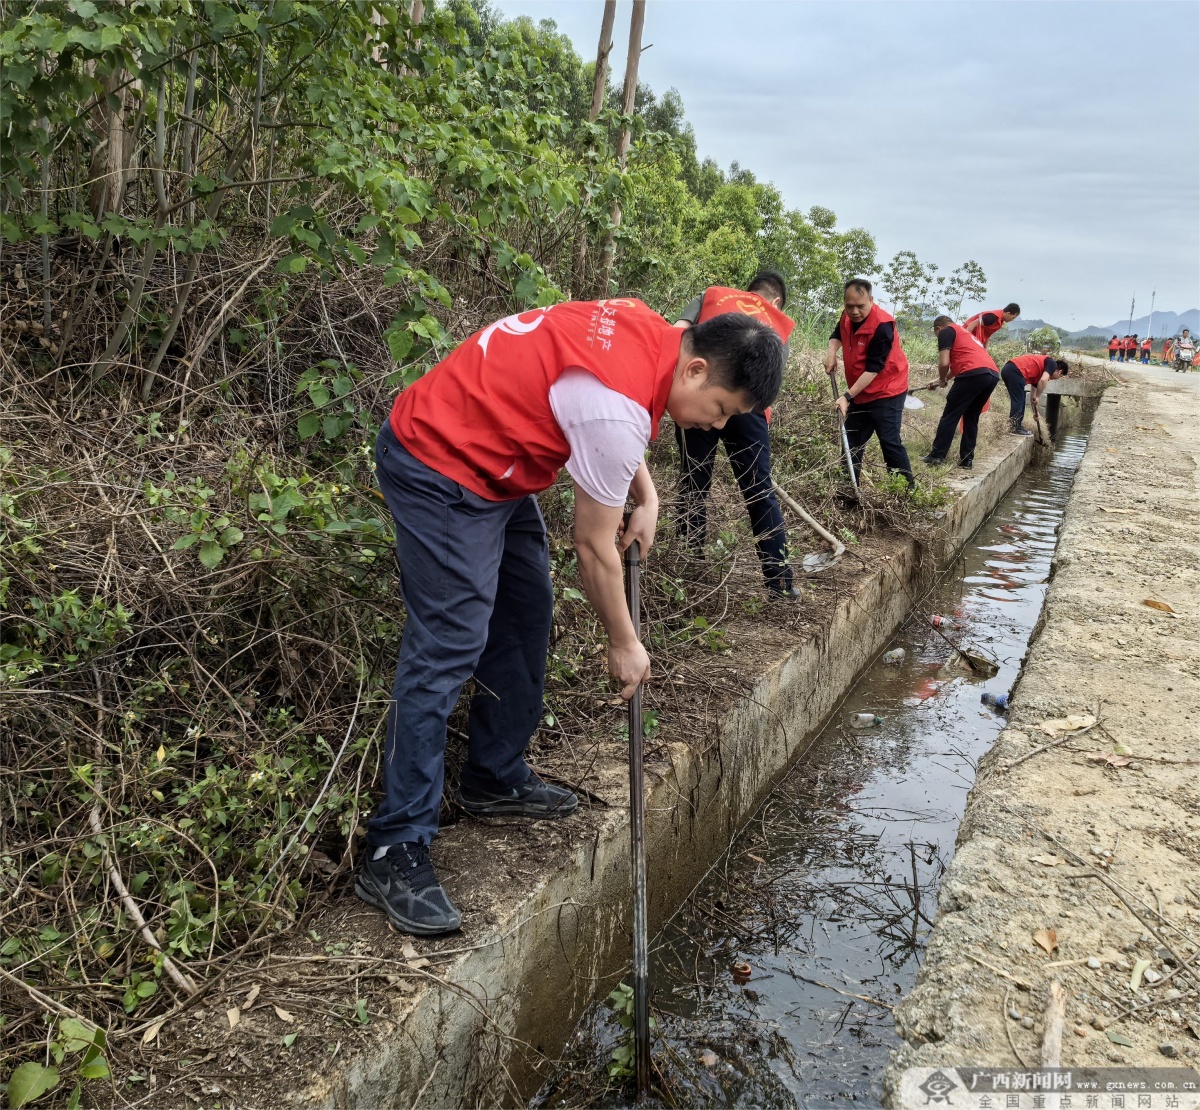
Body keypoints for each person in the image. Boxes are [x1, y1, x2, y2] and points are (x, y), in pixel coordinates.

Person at [360, 299, 783, 934]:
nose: (717, 424)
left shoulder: (652, 333)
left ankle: (493, 777)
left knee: (526, 611)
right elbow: (593, 545)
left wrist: (647, 493)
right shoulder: (617, 405)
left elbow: (613, 409)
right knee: (448, 641)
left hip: (498, 464)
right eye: (721, 409)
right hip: (439, 460)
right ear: (695, 369)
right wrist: (625, 643)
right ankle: (394, 845)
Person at [674, 272, 800, 598]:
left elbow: (678, 332)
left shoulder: (712, 295)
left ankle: (688, 569)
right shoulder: (777, 320)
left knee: (693, 482)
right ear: (776, 301)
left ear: (748, 291)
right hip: (747, 408)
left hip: (700, 394)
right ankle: (780, 583)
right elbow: (769, 386)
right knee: (759, 492)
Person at [825, 278, 914, 486]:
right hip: (861, 391)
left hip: (887, 390)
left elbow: (874, 369)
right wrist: (831, 353)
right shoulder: (847, 316)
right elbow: (837, 334)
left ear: (871, 300)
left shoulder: (882, 326)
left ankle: (906, 491)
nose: (854, 311)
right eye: (849, 306)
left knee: (889, 442)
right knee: (852, 440)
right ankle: (848, 490)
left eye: (860, 306)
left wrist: (847, 397)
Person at [920, 315, 1000, 470]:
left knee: (951, 415)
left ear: (938, 329)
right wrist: (939, 381)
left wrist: (942, 379)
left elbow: (944, 363)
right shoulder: (965, 334)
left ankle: (937, 456)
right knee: (971, 417)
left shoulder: (946, 331)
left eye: (936, 333)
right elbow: (958, 365)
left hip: (972, 374)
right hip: (992, 375)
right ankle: (966, 460)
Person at [999, 353, 1069, 435]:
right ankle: (1015, 427)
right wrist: (1038, 396)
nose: (1057, 379)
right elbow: (1043, 380)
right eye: (1060, 376)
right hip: (1015, 371)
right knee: (1019, 400)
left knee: (1020, 399)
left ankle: (1016, 426)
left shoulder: (1039, 372)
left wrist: (1035, 412)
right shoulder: (1052, 364)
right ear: (1060, 372)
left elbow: (1033, 397)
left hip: (1009, 370)